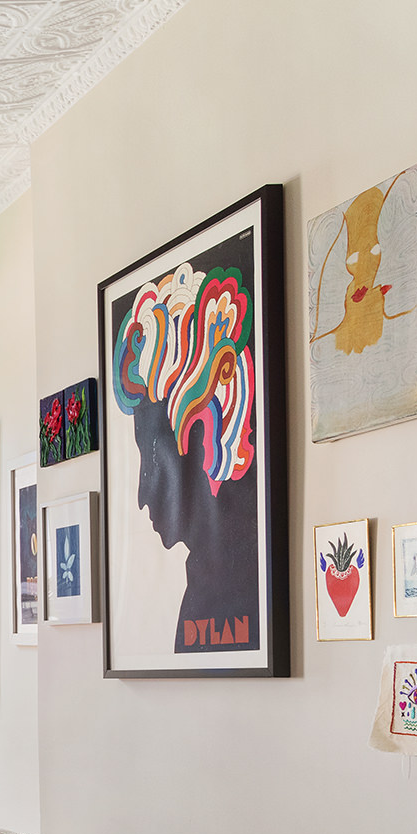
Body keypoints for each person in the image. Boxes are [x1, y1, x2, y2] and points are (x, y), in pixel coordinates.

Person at [112, 260, 261, 653]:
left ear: (204, 443)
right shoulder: (205, 590)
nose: (142, 495)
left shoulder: (232, 590)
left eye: (153, 461)